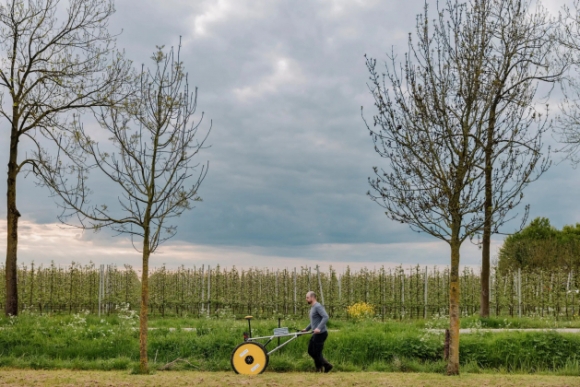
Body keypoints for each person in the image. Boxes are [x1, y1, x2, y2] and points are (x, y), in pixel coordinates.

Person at [301, 291, 333, 372]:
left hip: (321, 333)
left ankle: (325, 366)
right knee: (311, 351)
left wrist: (318, 328)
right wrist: (306, 329)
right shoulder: (313, 307)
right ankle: (321, 367)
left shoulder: (318, 306)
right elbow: (314, 321)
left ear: (312, 297)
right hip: (316, 333)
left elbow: (326, 317)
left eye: (307, 297)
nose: (306, 299)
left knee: (316, 352)